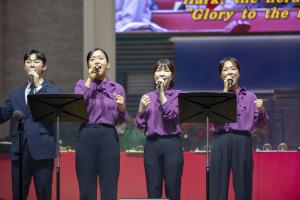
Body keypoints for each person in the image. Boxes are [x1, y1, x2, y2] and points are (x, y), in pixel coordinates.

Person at [0, 49, 62, 200]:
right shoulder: (15, 94)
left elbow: (53, 114)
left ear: (44, 66)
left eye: (36, 61)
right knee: (18, 194)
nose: (32, 64)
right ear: (24, 66)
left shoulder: (54, 91)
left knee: (43, 193)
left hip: (43, 150)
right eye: (28, 62)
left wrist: (37, 86)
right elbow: (2, 116)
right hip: (19, 151)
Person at [209, 57, 268, 200]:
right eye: (225, 69)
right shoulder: (216, 97)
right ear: (221, 75)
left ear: (239, 73)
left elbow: (262, 125)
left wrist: (261, 110)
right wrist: (225, 91)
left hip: (242, 141)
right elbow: (212, 120)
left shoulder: (250, 96)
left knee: (243, 185)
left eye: (233, 68)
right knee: (217, 185)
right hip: (220, 140)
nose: (229, 72)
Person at [74, 48, 127, 200]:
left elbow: (120, 121)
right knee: (86, 186)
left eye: (100, 58)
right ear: (88, 65)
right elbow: (77, 105)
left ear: (108, 64)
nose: (96, 61)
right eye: (92, 59)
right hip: (86, 134)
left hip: (108, 135)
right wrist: (89, 80)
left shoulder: (117, 88)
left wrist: (122, 109)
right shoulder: (81, 85)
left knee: (109, 186)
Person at [136, 59, 183, 200]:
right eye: (158, 70)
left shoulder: (177, 95)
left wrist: (162, 93)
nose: (161, 73)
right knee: (153, 189)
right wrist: (141, 109)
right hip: (152, 144)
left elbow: (171, 114)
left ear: (173, 76)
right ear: (154, 75)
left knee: (172, 188)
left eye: (166, 70)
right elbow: (139, 124)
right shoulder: (147, 97)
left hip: (172, 143)